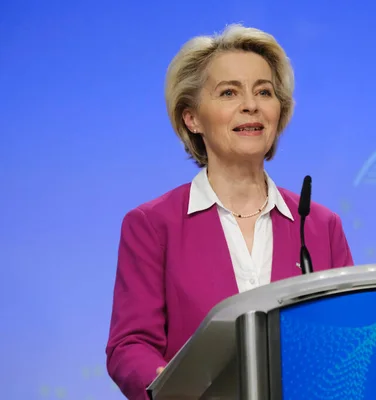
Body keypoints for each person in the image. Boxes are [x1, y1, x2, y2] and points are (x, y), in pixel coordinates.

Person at [105, 24, 354, 399]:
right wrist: (178, 389)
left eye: (264, 92)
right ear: (192, 118)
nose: (250, 104)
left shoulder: (320, 227)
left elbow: (347, 341)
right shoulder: (153, 225)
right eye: (228, 92)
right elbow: (130, 346)